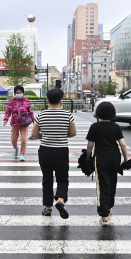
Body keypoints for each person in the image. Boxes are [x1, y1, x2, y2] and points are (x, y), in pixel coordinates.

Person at [29, 88, 76, 219]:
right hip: (61, 150)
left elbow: (33, 134)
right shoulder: (68, 115)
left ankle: (48, 208)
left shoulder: (41, 115)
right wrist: (60, 135)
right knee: (62, 178)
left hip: (45, 150)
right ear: (62, 100)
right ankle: (60, 200)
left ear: (48, 100)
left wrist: (45, 136)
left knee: (47, 179)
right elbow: (73, 133)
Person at [85, 102, 129, 225]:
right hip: (115, 157)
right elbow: (123, 144)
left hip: (101, 157)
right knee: (112, 182)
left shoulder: (95, 126)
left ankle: (104, 214)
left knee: (102, 184)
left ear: (98, 113)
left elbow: (90, 146)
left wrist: (88, 158)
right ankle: (109, 207)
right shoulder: (116, 126)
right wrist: (125, 160)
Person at [3, 85, 34, 161]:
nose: (19, 94)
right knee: (14, 140)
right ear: (15, 93)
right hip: (15, 122)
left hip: (24, 122)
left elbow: (30, 111)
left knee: (24, 139)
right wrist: (5, 119)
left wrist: (34, 120)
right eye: (17, 92)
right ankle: (16, 148)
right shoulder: (12, 101)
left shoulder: (26, 100)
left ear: (23, 92)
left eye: (20, 92)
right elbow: (8, 111)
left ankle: (22, 154)